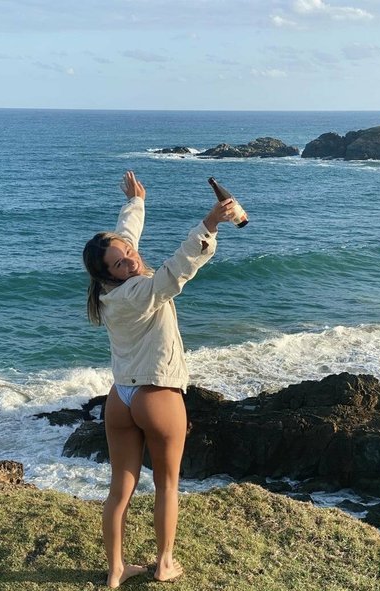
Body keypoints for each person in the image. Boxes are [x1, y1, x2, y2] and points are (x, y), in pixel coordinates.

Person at [82, 170, 236, 588]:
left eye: (128, 254)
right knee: (167, 484)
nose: (131, 260)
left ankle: (116, 570)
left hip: (121, 398)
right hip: (157, 393)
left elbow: (124, 237)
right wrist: (209, 224)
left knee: (120, 489)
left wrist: (136, 203)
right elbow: (175, 271)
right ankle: (164, 564)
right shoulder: (138, 292)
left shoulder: (108, 292)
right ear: (108, 274)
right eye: (120, 263)